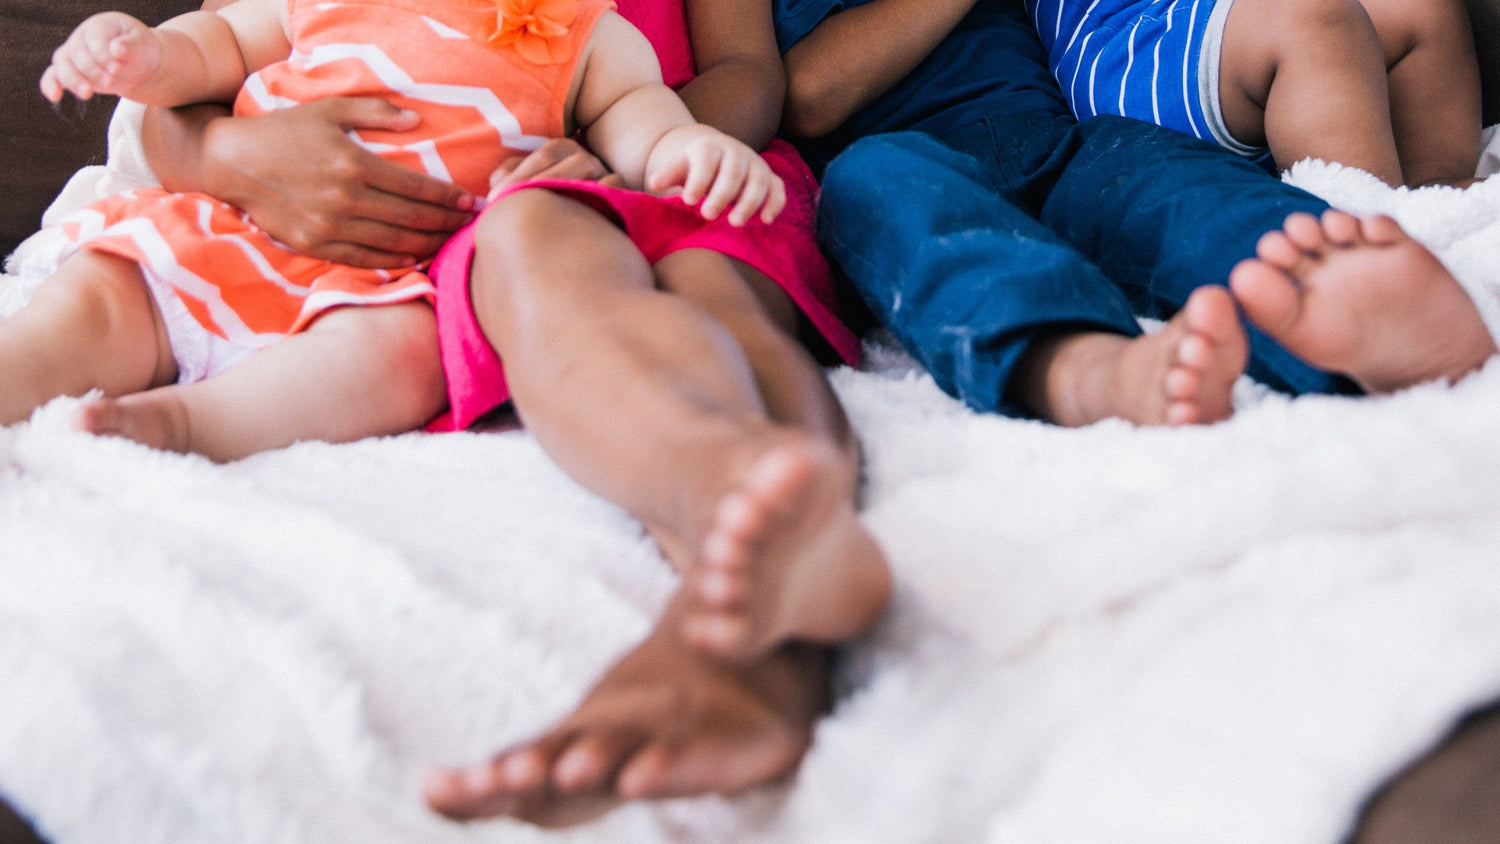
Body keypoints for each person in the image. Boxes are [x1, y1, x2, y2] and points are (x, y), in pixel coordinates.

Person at [115, 0, 890, 825]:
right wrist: (225, 152)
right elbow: (185, 76)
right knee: (536, 255)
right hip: (497, 207)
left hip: (682, 154)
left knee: (716, 292)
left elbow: (749, 76)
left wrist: (625, 143)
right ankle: (742, 559)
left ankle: (748, 616)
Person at [25, 0, 784, 462]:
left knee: (408, 358)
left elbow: (642, 121)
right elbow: (212, 48)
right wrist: (141, 52)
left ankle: (193, 426)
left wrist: (691, 151)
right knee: (102, 290)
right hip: (234, 224)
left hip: (389, 281)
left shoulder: (587, 33)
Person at [776, 0, 1496, 430]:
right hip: (911, 158)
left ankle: (1356, 325)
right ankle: (1085, 368)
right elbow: (806, 93)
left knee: (1188, 197)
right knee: (869, 188)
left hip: (1066, 138)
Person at [1023, 0, 1485, 187]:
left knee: (1420, 10)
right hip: (1134, 42)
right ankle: (1371, 235)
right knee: (1313, 21)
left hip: (1241, 21)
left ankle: (1437, 195)